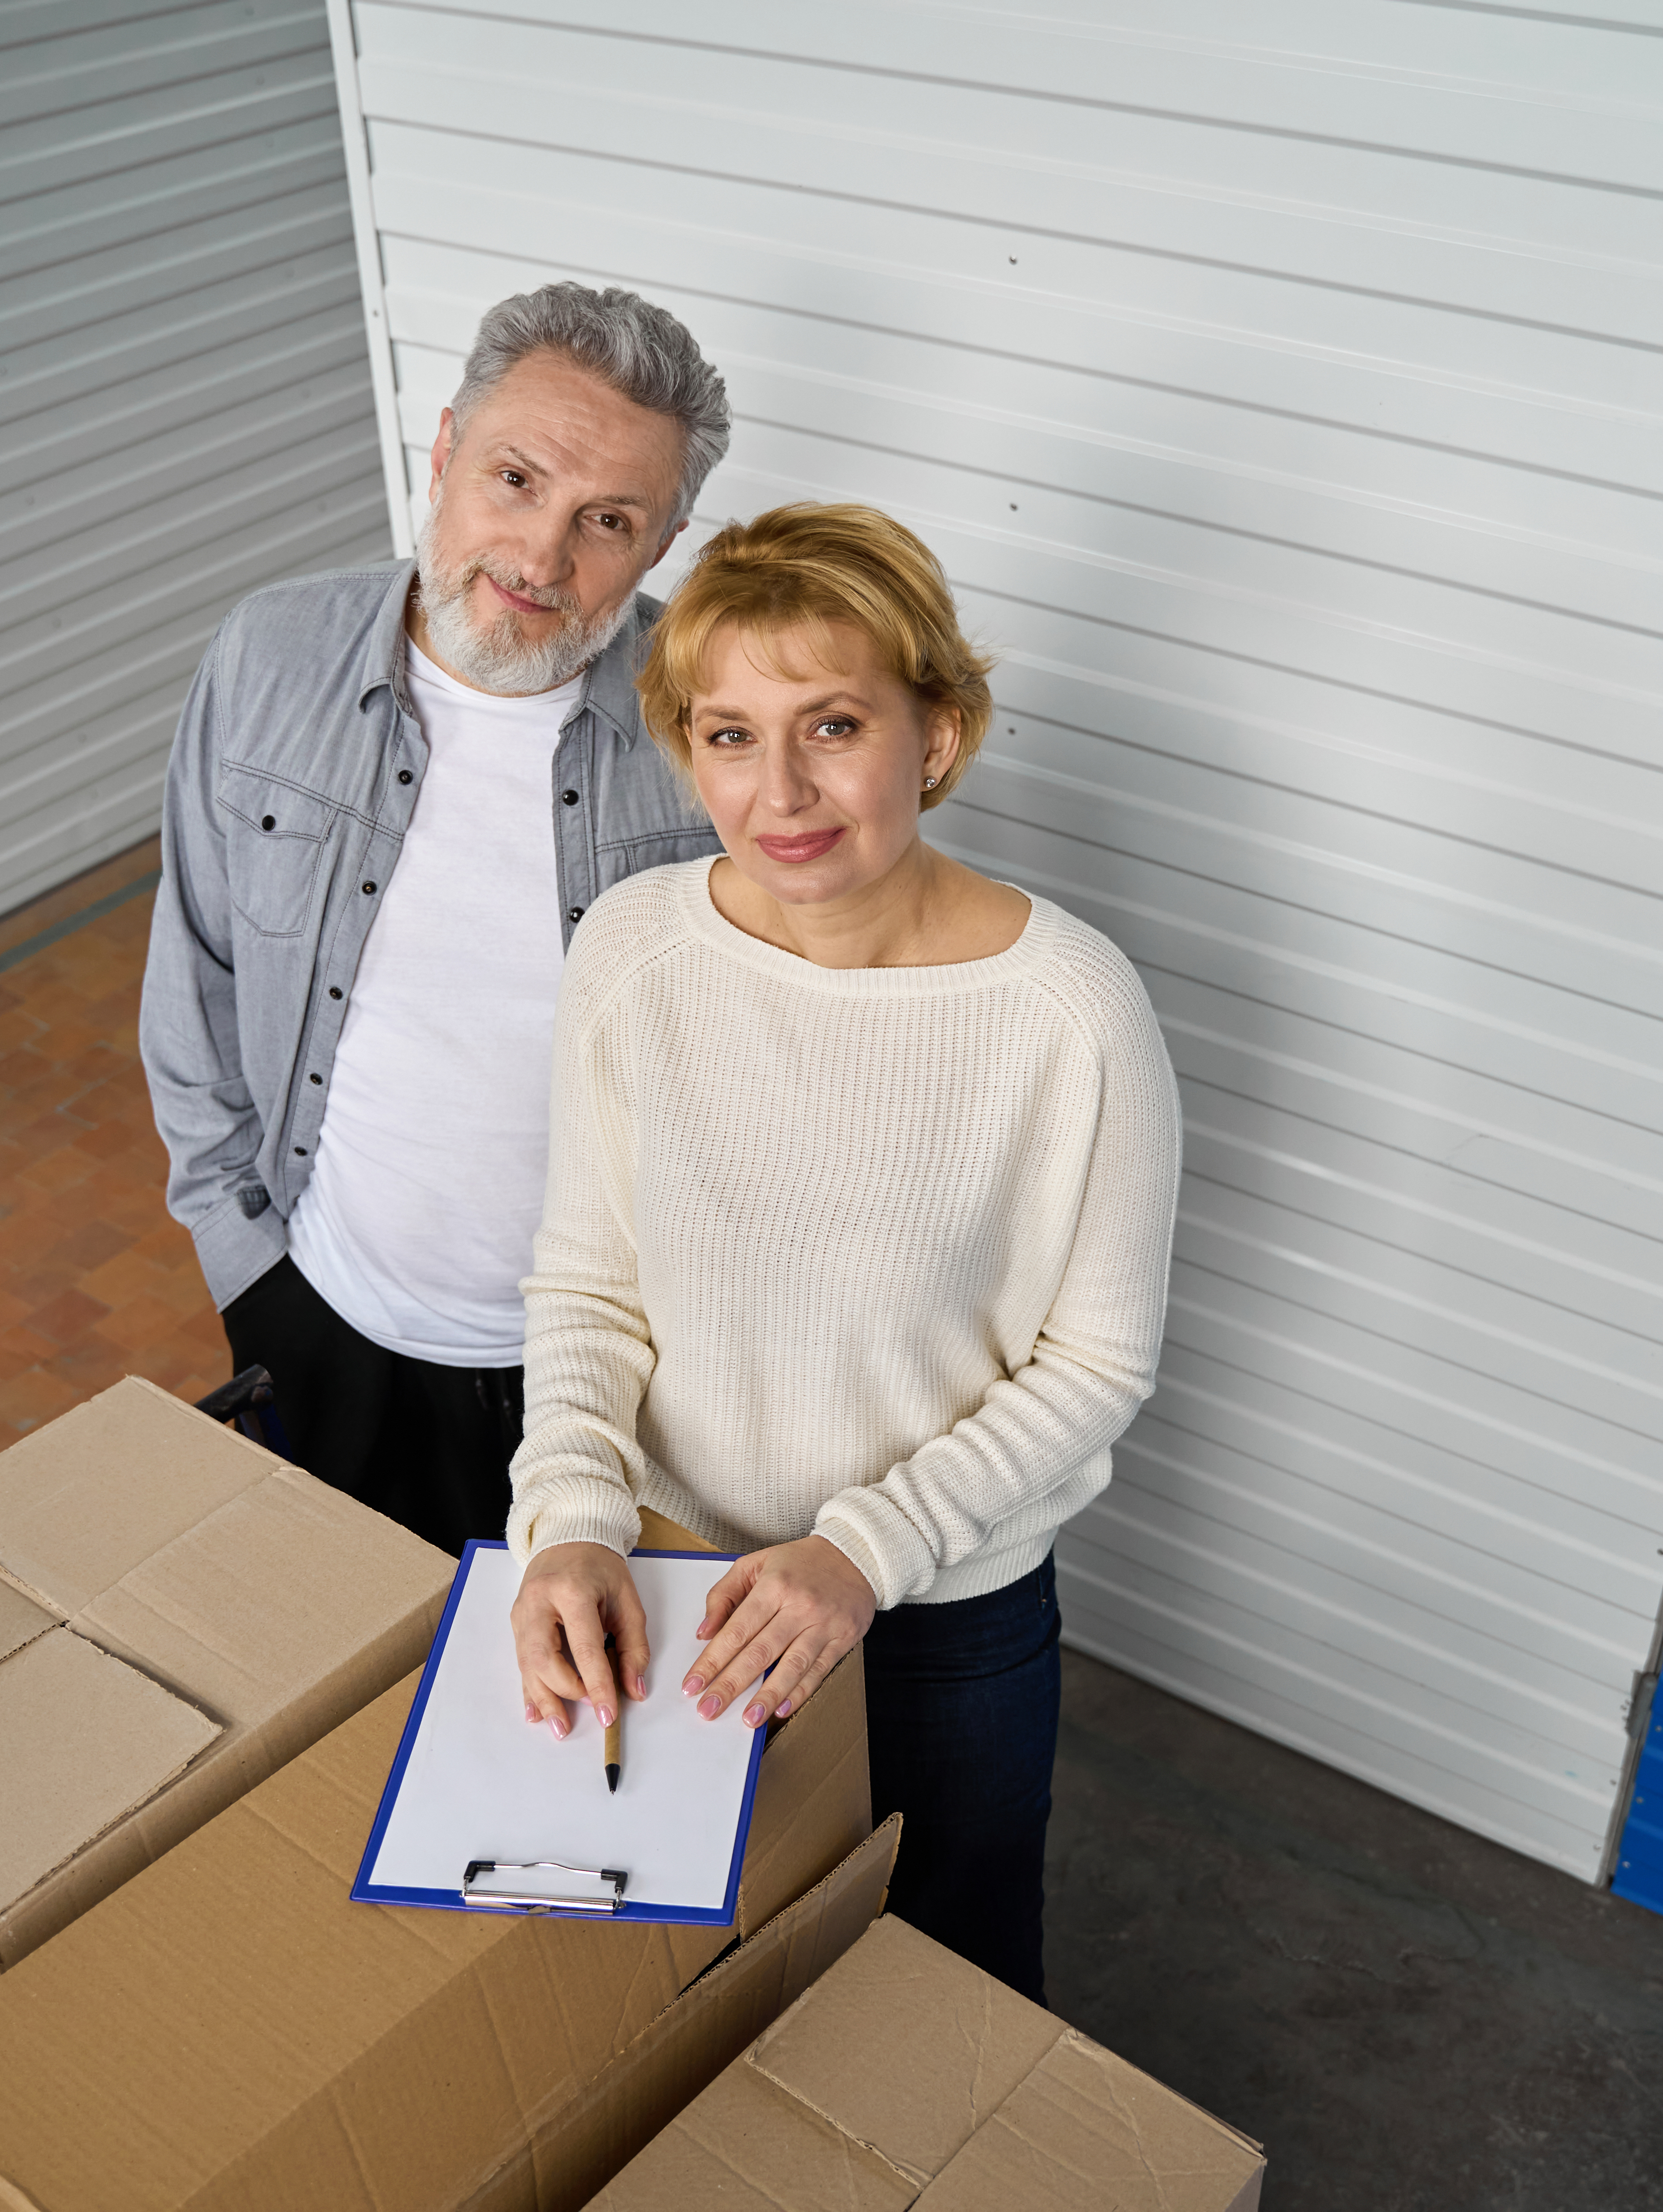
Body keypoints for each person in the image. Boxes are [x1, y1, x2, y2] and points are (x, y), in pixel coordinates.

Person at [501, 504, 1181, 1997]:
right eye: (730, 735)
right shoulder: (631, 950)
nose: (781, 790)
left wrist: (863, 1553)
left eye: (833, 725)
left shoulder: (1068, 1010)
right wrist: (567, 1515)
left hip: (944, 1621)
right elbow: (589, 1286)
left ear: (936, 735)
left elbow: (1100, 1359)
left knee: (953, 1975)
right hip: (670, 1581)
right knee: (701, 1983)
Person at [138, 284, 727, 1552]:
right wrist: (252, 1277)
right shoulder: (267, 658)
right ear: (447, 448)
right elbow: (195, 987)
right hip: (322, 1322)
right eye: (514, 480)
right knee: (363, 1691)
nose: (540, 558)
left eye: (607, 521)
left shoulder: (722, 729)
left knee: (576, 1722)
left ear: (665, 544)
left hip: (619, 1383)